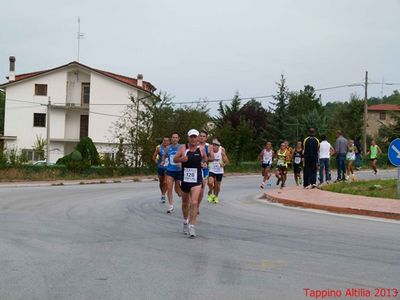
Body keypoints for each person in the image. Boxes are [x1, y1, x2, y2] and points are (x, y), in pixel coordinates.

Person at [174, 129, 208, 238]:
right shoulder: (183, 148)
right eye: (191, 137)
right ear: (188, 138)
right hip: (185, 179)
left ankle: (192, 226)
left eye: (195, 137)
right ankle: (185, 221)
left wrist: (204, 164)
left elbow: (205, 159)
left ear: (198, 138)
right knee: (185, 203)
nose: (193, 139)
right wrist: (182, 159)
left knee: (194, 203)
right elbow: (175, 159)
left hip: (197, 179)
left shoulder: (201, 149)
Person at [161, 132, 182, 213]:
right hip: (170, 170)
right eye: (173, 137)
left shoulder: (181, 147)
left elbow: (185, 156)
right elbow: (164, 156)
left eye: (176, 138)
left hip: (179, 171)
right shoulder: (168, 148)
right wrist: (163, 161)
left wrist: (181, 163)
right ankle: (170, 205)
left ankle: (179, 192)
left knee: (177, 189)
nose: (174, 139)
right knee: (169, 187)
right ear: (171, 139)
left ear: (178, 139)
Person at [208, 138, 229, 204]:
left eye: (216, 145)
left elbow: (227, 161)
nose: (214, 146)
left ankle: (216, 196)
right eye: (213, 145)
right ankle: (210, 192)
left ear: (219, 146)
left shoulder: (221, 151)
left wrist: (223, 164)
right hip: (211, 169)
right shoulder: (209, 149)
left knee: (218, 186)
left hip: (219, 171)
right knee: (210, 182)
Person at [198, 130, 214, 214]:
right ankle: (192, 202)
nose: (202, 137)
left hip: (204, 169)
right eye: (200, 135)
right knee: (191, 188)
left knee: (201, 190)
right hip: (193, 169)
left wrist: (204, 160)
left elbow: (212, 158)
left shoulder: (209, 146)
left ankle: (197, 206)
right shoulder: (193, 145)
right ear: (198, 137)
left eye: (204, 136)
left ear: (206, 138)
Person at [152, 136, 170, 203]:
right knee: (161, 182)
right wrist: (157, 163)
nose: (165, 142)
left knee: (165, 182)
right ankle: (162, 193)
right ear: (162, 141)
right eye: (164, 141)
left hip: (168, 168)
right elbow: (153, 157)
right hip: (160, 167)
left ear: (169, 142)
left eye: (167, 141)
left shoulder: (171, 148)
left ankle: (163, 195)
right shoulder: (159, 148)